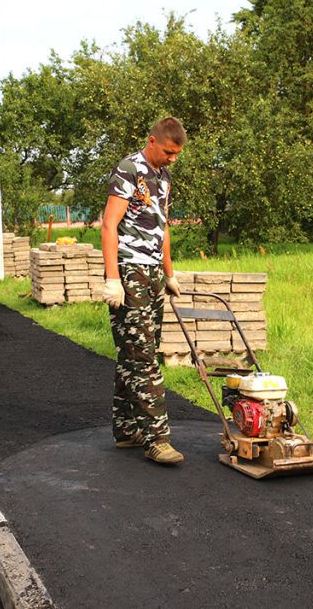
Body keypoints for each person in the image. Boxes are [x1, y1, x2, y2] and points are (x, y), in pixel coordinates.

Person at [101, 117, 186, 465]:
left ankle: (126, 430)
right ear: (152, 141)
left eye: (177, 154)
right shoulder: (128, 169)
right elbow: (109, 224)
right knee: (143, 357)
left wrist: (169, 273)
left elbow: (163, 228)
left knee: (135, 352)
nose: (172, 159)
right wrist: (112, 278)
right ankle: (157, 438)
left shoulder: (164, 177)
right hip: (129, 270)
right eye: (168, 152)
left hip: (152, 272)